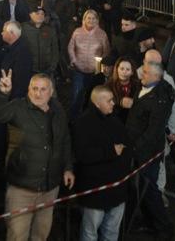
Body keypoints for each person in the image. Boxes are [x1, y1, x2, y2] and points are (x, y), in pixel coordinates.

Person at [0, 70, 74, 241]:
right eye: (34, 89)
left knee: (41, 235)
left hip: (49, 189)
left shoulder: (58, 110)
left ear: (51, 92)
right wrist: (2, 93)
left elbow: (65, 140)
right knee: (17, 236)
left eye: (43, 89)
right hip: (21, 190)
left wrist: (68, 168)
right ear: (28, 90)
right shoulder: (18, 107)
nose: (38, 93)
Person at [124, 61, 175, 239]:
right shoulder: (144, 87)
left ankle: (164, 228)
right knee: (142, 189)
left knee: (149, 190)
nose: (141, 75)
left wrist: (134, 147)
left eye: (145, 72)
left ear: (156, 76)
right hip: (139, 149)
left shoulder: (161, 99)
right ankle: (149, 222)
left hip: (147, 152)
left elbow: (153, 131)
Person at [73, 86, 131, 241]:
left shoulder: (115, 120)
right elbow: (82, 155)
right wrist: (111, 151)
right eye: (109, 101)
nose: (113, 103)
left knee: (111, 232)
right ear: (97, 103)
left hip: (117, 189)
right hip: (96, 191)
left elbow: (126, 146)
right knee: (90, 232)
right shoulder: (83, 123)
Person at [67, 9, 111, 116]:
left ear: (97, 20)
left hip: (95, 71)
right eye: (89, 18)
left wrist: (99, 66)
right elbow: (70, 47)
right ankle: (74, 119)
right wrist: (74, 60)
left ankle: (89, 117)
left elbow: (106, 52)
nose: (91, 20)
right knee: (76, 96)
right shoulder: (77, 32)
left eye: (93, 18)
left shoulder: (102, 34)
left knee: (92, 98)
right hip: (78, 70)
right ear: (84, 19)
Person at [23, 6, 61, 77]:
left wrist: (52, 67)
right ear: (30, 14)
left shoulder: (50, 30)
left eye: (42, 14)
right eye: (37, 13)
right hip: (28, 70)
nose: (40, 16)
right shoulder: (23, 28)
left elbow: (55, 50)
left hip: (47, 71)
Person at [106, 57, 140, 124]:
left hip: (132, 121)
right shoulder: (108, 85)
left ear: (132, 72)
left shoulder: (138, 86)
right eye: (121, 69)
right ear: (117, 69)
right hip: (112, 121)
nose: (124, 72)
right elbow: (105, 103)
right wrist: (120, 102)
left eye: (128, 69)